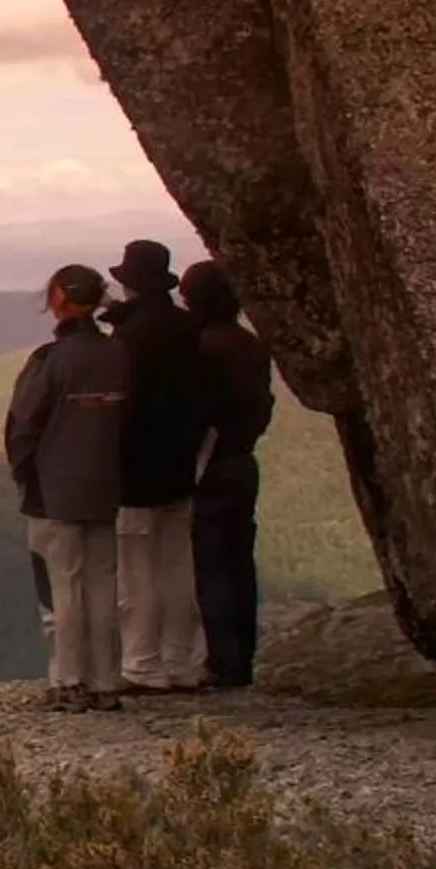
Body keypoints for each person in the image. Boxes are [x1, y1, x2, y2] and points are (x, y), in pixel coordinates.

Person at [6, 263, 129, 710]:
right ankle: (105, 681)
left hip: (53, 490)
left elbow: (23, 426)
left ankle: (69, 680)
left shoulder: (50, 361)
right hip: (105, 484)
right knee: (101, 583)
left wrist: (24, 474)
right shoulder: (118, 355)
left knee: (62, 586)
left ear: (57, 298)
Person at [103, 239, 214, 693]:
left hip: (136, 470)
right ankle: (182, 661)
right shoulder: (187, 327)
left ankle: (143, 664)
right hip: (179, 463)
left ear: (129, 285)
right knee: (175, 566)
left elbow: (124, 403)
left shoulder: (131, 337)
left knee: (136, 569)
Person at [183, 259, 275, 688]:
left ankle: (222, 662)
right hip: (243, 459)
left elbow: (195, 413)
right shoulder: (251, 345)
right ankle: (242, 660)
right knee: (239, 562)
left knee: (211, 564)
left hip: (209, 465)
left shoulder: (202, 348)